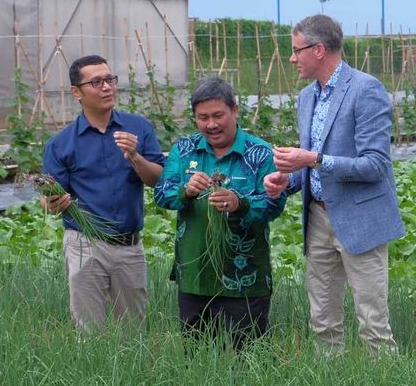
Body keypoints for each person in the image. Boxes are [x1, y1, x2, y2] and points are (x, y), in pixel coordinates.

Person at [263, 14, 405, 355]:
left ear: (319, 49)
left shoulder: (365, 90)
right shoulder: (306, 98)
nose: (292, 58)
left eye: (297, 50)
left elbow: (375, 165)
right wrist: (287, 180)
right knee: (322, 321)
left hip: (359, 219)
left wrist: (310, 160)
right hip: (318, 218)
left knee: (373, 323)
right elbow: (311, 166)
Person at [154, 76, 287, 350]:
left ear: (234, 110)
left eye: (218, 115)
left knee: (250, 359)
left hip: (244, 278)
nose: (211, 124)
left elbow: (275, 204)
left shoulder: (260, 154)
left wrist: (241, 204)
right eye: (203, 117)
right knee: (198, 360)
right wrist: (186, 191)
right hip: (195, 276)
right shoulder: (184, 149)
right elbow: (161, 194)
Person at [42, 54, 165, 331]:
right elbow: (49, 198)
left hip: (128, 244)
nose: (107, 87)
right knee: (88, 331)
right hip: (84, 243)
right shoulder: (61, 144)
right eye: (96, 82)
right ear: (77, 92)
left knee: (133, 331)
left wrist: (135, 156)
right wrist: (52, 201)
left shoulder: (138, 128)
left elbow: (157, 179)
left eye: (110, 79)